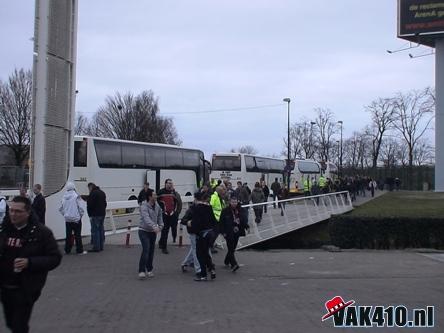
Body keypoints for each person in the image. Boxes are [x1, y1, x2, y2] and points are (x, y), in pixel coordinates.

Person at [0, 196, 62, 333]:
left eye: (18, 211)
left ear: (28, 213)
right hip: (5, 287)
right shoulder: (4, 230)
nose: (13, 214)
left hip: (25, 288)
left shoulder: (42, 233)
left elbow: (55, 258)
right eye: (11, 210)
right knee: (10, 323)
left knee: (19, 326)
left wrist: (30, 262)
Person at [185, 192, 217, 281]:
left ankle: (203, 275)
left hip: (201, 234)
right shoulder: (209, 207)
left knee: (200, 255)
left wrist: (190, 224)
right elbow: (213, 221)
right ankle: (211, 268)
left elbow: (196, 222)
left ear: (196, 199)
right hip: (210, 233)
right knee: (206, 252)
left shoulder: (196, 208)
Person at [138, 189, 163, 279]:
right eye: (154, 195)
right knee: (146, 249)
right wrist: (153, 226)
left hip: (153, 232)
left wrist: (160, 225)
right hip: (143, 230)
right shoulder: (144, 206)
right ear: (150, 197)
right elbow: (146, 218)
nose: (156, 196)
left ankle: (149, 269)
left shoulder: (157, 206)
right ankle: (141, 270)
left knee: (151, 250)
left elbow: (160, 216)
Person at [220, 196, 249, 272]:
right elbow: (221, 222)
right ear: (230, 202)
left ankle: (227, 260)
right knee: (230, 247)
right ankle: (234, 264)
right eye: (232, 202)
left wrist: (247, 226)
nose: (234, 204)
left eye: (235, 202)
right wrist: (223, 232)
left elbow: (243, 220)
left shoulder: (240, 210)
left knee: (232, 248)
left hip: (237, 231)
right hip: (228, 232)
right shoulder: (225, 211)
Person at [59, 182, 86, 255]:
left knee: (68, 235)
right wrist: (80, 216)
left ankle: (67, 250)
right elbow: (81, 208)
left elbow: (60, 209)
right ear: (74, 187)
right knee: (77, 235)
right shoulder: (76, 196)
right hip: (76, 219)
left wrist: (65, 215)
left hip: (67, 219)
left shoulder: (63, 197)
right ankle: (79, 250)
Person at [157, 179, 182, 254]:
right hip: (164, 214)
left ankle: (164, 241)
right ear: (165, 184)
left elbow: (179, 203)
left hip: (172, 214)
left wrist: (177, 212)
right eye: (168, 183)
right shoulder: (160, 192)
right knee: (165, 230)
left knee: (173, 227)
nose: (170, 185)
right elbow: (156, 202)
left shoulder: (174, 193)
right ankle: (164, 247)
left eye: (171, 183)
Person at [180, 195, 201, 276]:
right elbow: (183, 220)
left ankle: (185, 262)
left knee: (194, 248)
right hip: (193, 232)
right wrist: (188, 222)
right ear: (195, 200)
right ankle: (198, 268)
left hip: (200, 231)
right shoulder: (191, 210)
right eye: (198, 200)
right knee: (195, 249)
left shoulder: (203, 209)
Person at [86, 183, 107, 252]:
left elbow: (89, 205)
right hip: (102, 214)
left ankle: (96, 247)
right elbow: (105, 204)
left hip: (95, 215)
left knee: (95, 231)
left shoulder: (92, 194)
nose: (88, 190)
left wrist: (89, 214)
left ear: (91, 187)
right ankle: (101, 246)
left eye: (88, 188)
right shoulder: (102, 193)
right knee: (101, 230)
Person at [209, 186, 226, 252]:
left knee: (217, 232)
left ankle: (211, 245)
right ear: (218, 191)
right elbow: (211, 206)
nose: (223, 191)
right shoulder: (214, 196)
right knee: (215, 232)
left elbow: (222, 206)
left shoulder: (220, 197)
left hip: (219, 217)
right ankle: (210, 246)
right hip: (215, 217)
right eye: (222, 190)